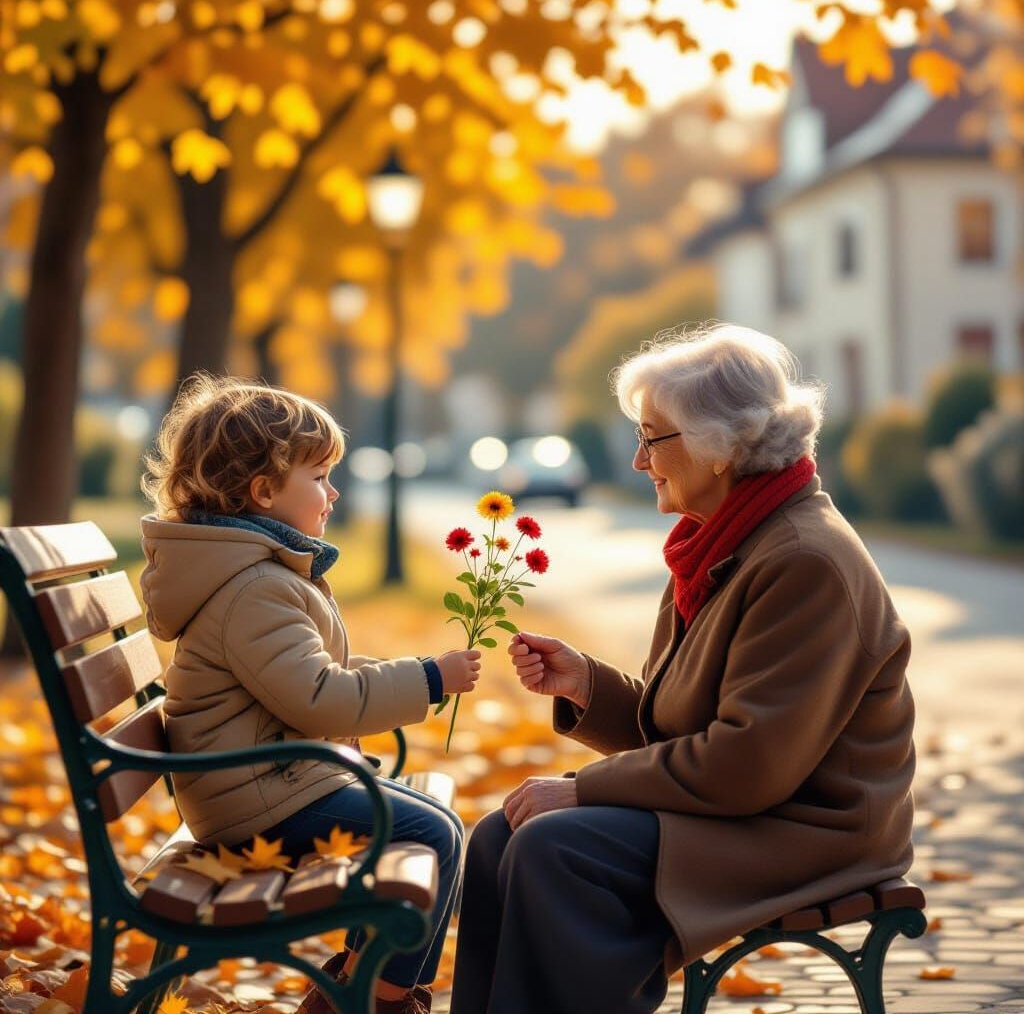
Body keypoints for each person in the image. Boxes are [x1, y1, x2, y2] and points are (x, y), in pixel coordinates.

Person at [450, 324, 916, 1014]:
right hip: (748, 809)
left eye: (652, 437)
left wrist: (583, 790)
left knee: (556, 848)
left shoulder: (803, 560)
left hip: (812, 832)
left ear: (719, 444)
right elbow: (689, 731)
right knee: (499, 835)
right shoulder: (721, 541)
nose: (639, 461)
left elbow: (747, 763)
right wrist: (589, 685)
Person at [140, 374, 479, 1014]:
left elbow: (308, 675)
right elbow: (320, 698)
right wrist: (429, 681)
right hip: (258, 803)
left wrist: (409, 673)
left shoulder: (253, 572)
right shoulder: (253, 588)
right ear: (263, 491)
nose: (333, 491)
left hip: (267, 784)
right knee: (431, 832)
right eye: (319, 476)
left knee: (431, 824)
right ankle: (377, 1000)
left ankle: (355, 988)